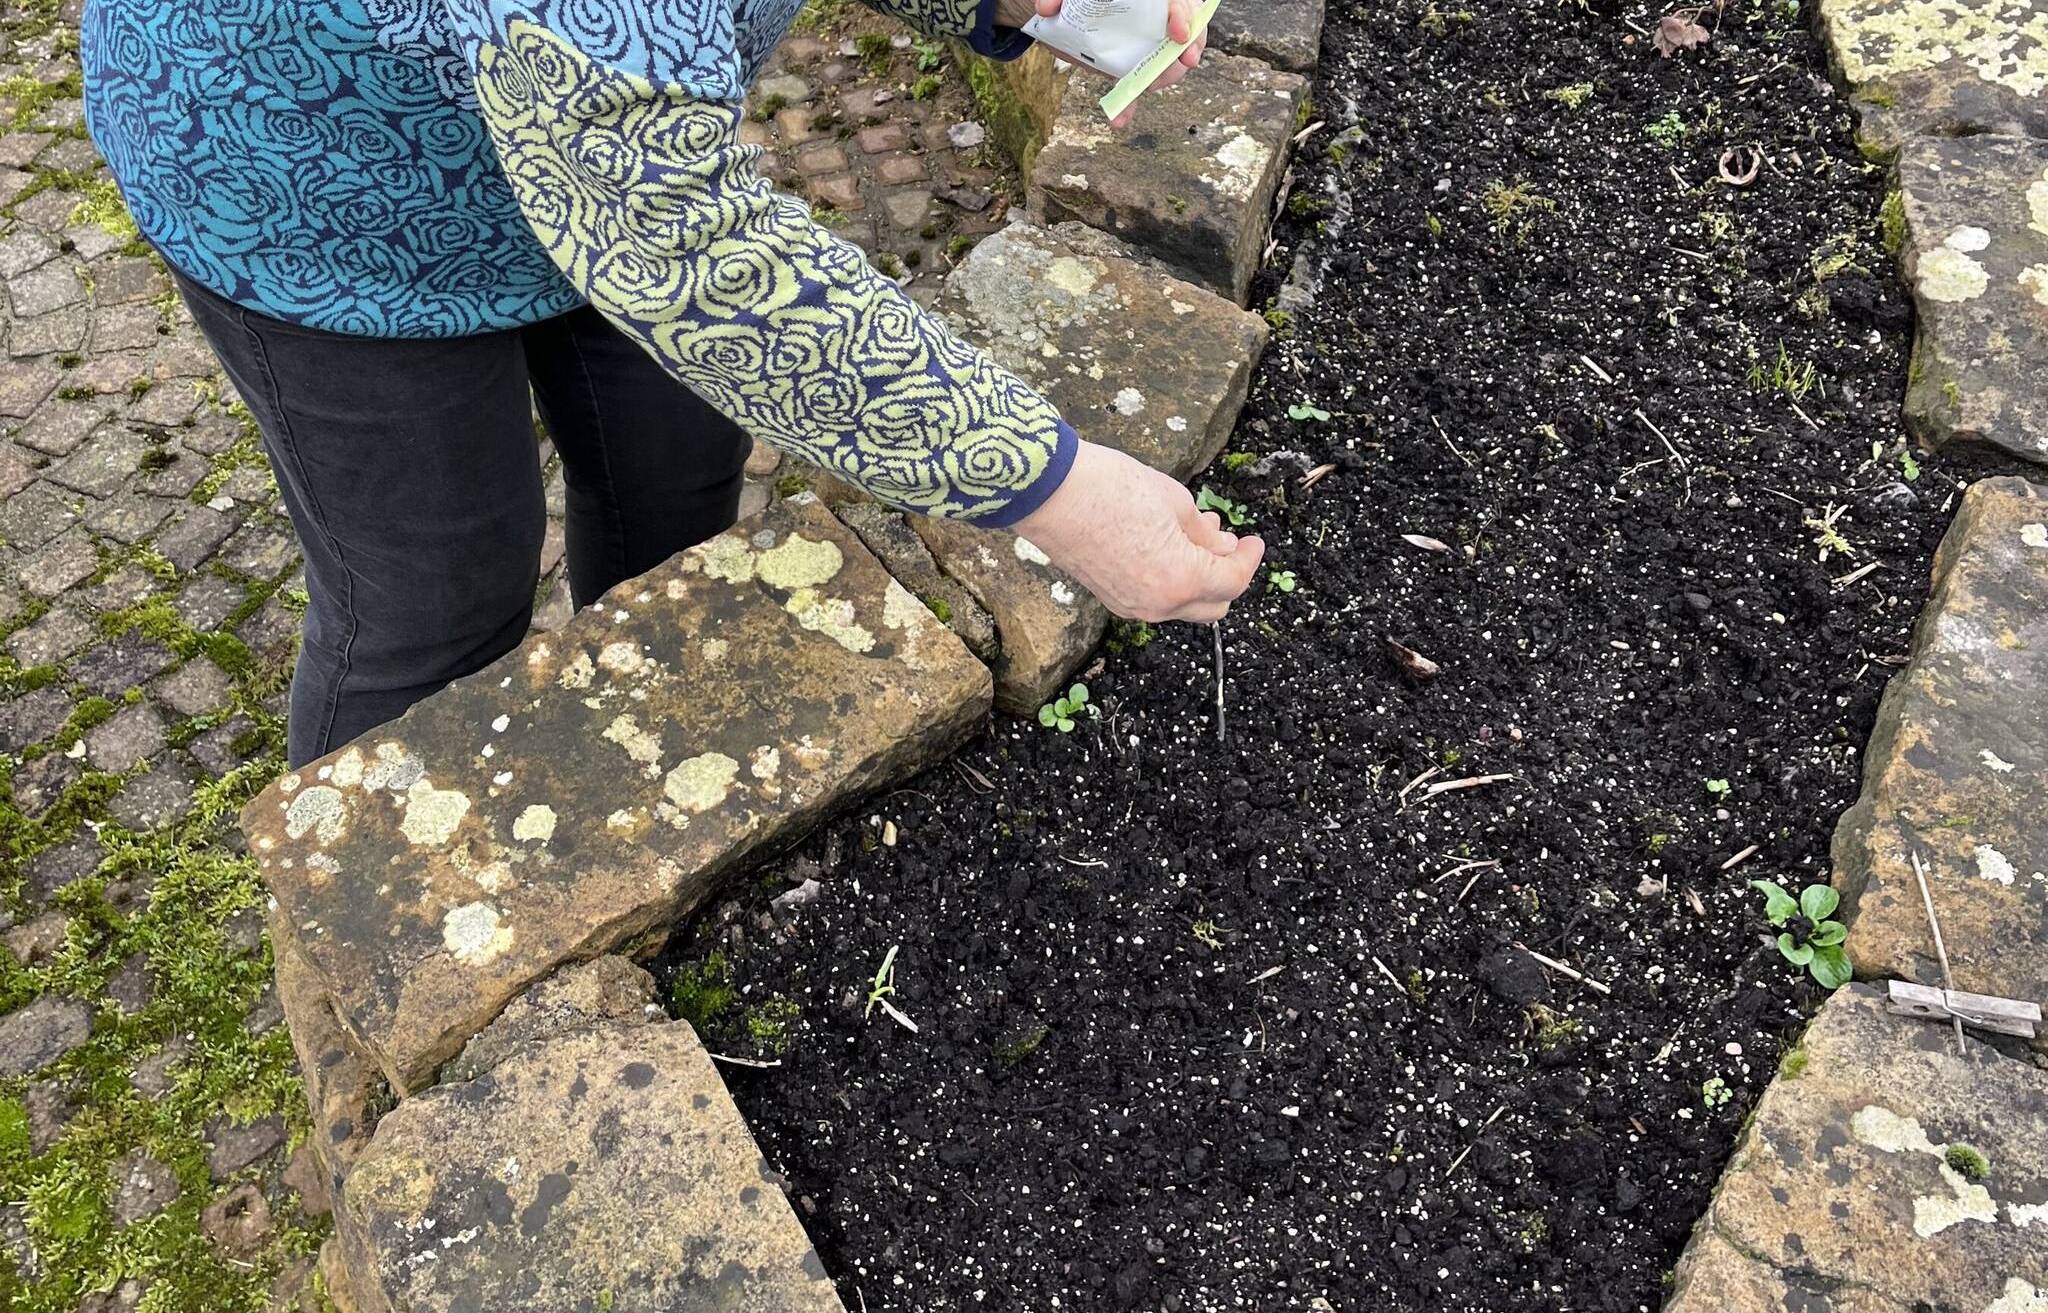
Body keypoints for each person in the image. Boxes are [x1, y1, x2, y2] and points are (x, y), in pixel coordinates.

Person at [80, 0, 1266, 769]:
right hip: (317, 187)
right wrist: (1048, 483)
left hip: (592, 139)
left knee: (673, 476)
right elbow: (677, 246)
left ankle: (635, 758)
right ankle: (387, 972)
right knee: (433, 608)